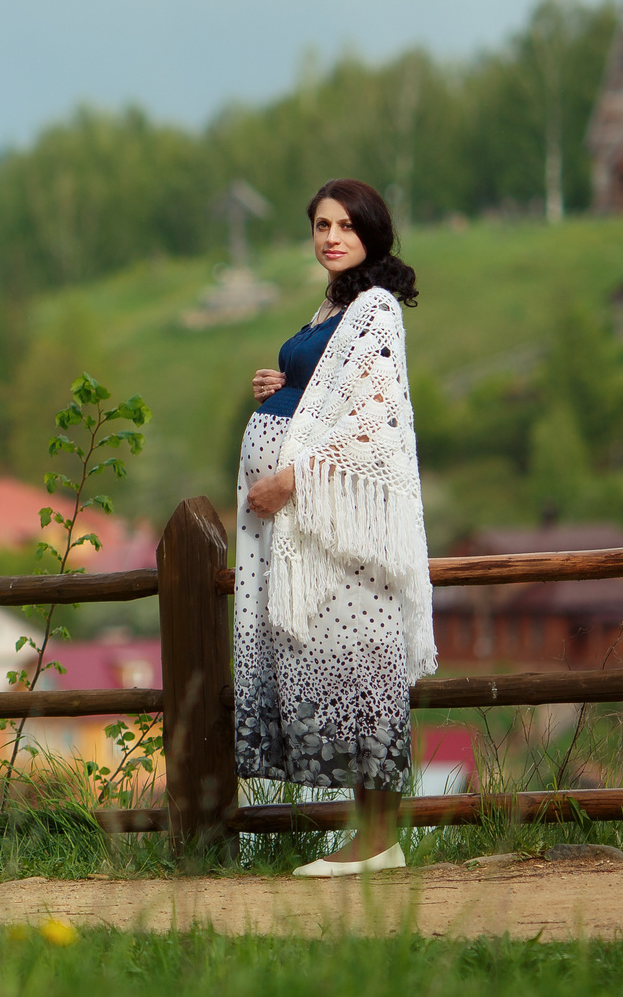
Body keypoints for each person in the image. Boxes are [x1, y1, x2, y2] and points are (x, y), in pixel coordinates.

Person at [234, 178, 435, 877]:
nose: (330, 236)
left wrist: (292, 478)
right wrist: (280, 386)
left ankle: (379, 840)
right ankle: (372, 838)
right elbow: (327, 394)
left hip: (336, 526)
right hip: (308, 530)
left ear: (371, 234)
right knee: (338, 668)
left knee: (364, 668)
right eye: (321, 224)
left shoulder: (376, 309)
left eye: (345, 225)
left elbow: (372, 426)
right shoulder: (333, 305)